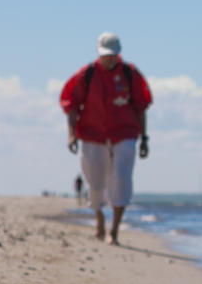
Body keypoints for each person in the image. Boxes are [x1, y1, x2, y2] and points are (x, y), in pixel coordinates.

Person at [60, 32, 152, 246]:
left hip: (125, 132)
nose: (109, 59)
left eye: (112, 55)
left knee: (121, 177)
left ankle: (115, 231)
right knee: (95, 178)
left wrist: (145, 138)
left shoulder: (130, 73)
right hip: (93, 133)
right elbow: (71, 106)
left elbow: (141, 107)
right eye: (105, 55)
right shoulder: (87, 74)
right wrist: (72, 134)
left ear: (119, 53)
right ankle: (99, 217)